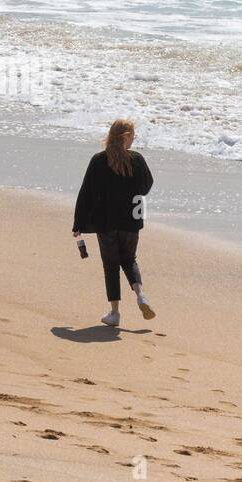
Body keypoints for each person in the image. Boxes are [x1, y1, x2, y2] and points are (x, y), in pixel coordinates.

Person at [72, 119, 156, 327]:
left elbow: (86, 194)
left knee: (111, 266)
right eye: (133, 134)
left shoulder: (99, 160)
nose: (134, 137)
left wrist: (78, 223)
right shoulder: (137, 160)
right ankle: (141, 295)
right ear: (126, 136)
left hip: (106, 222)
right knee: (129, 259)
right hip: (131, 221)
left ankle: (115, 313)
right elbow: (146, 187)